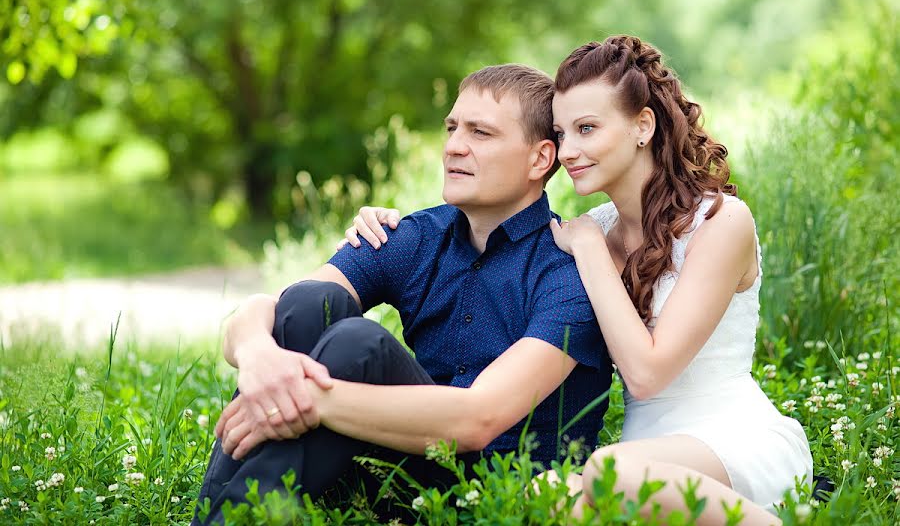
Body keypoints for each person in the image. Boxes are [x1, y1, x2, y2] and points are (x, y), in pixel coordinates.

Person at [345, 36, 813, 524]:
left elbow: (649, 375)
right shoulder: (591, 227)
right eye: (562, 134)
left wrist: (592, 251)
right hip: (643, 450)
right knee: (546, 491)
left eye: (587, 129)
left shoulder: (719, 222)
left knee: (611, 472)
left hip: (728, 438)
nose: (569, 151)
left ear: (643, 126)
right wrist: (382, 226)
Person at [192, 64, 613, 525]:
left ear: (538, 159)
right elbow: (276, 310)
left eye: (481, 133)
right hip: (397, 469)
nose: (454, 145)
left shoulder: (567, 272)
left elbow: (476, 422)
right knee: (310, 300)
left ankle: (227, 518)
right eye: (452, 128)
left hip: (499, 497)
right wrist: (257, 355)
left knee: (358, 345)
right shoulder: (418, 237)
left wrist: (307, 401)